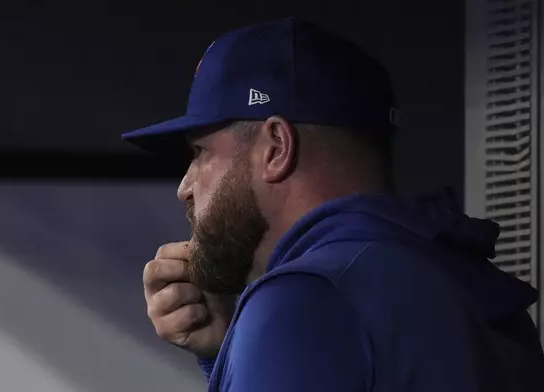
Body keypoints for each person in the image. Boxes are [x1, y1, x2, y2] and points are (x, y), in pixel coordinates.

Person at [121, 17, 544, 391]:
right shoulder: (474, 290)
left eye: (200, 153)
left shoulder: (303, 299)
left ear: (276, 148)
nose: (186, 186)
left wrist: (266, 335)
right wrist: (227, 353)